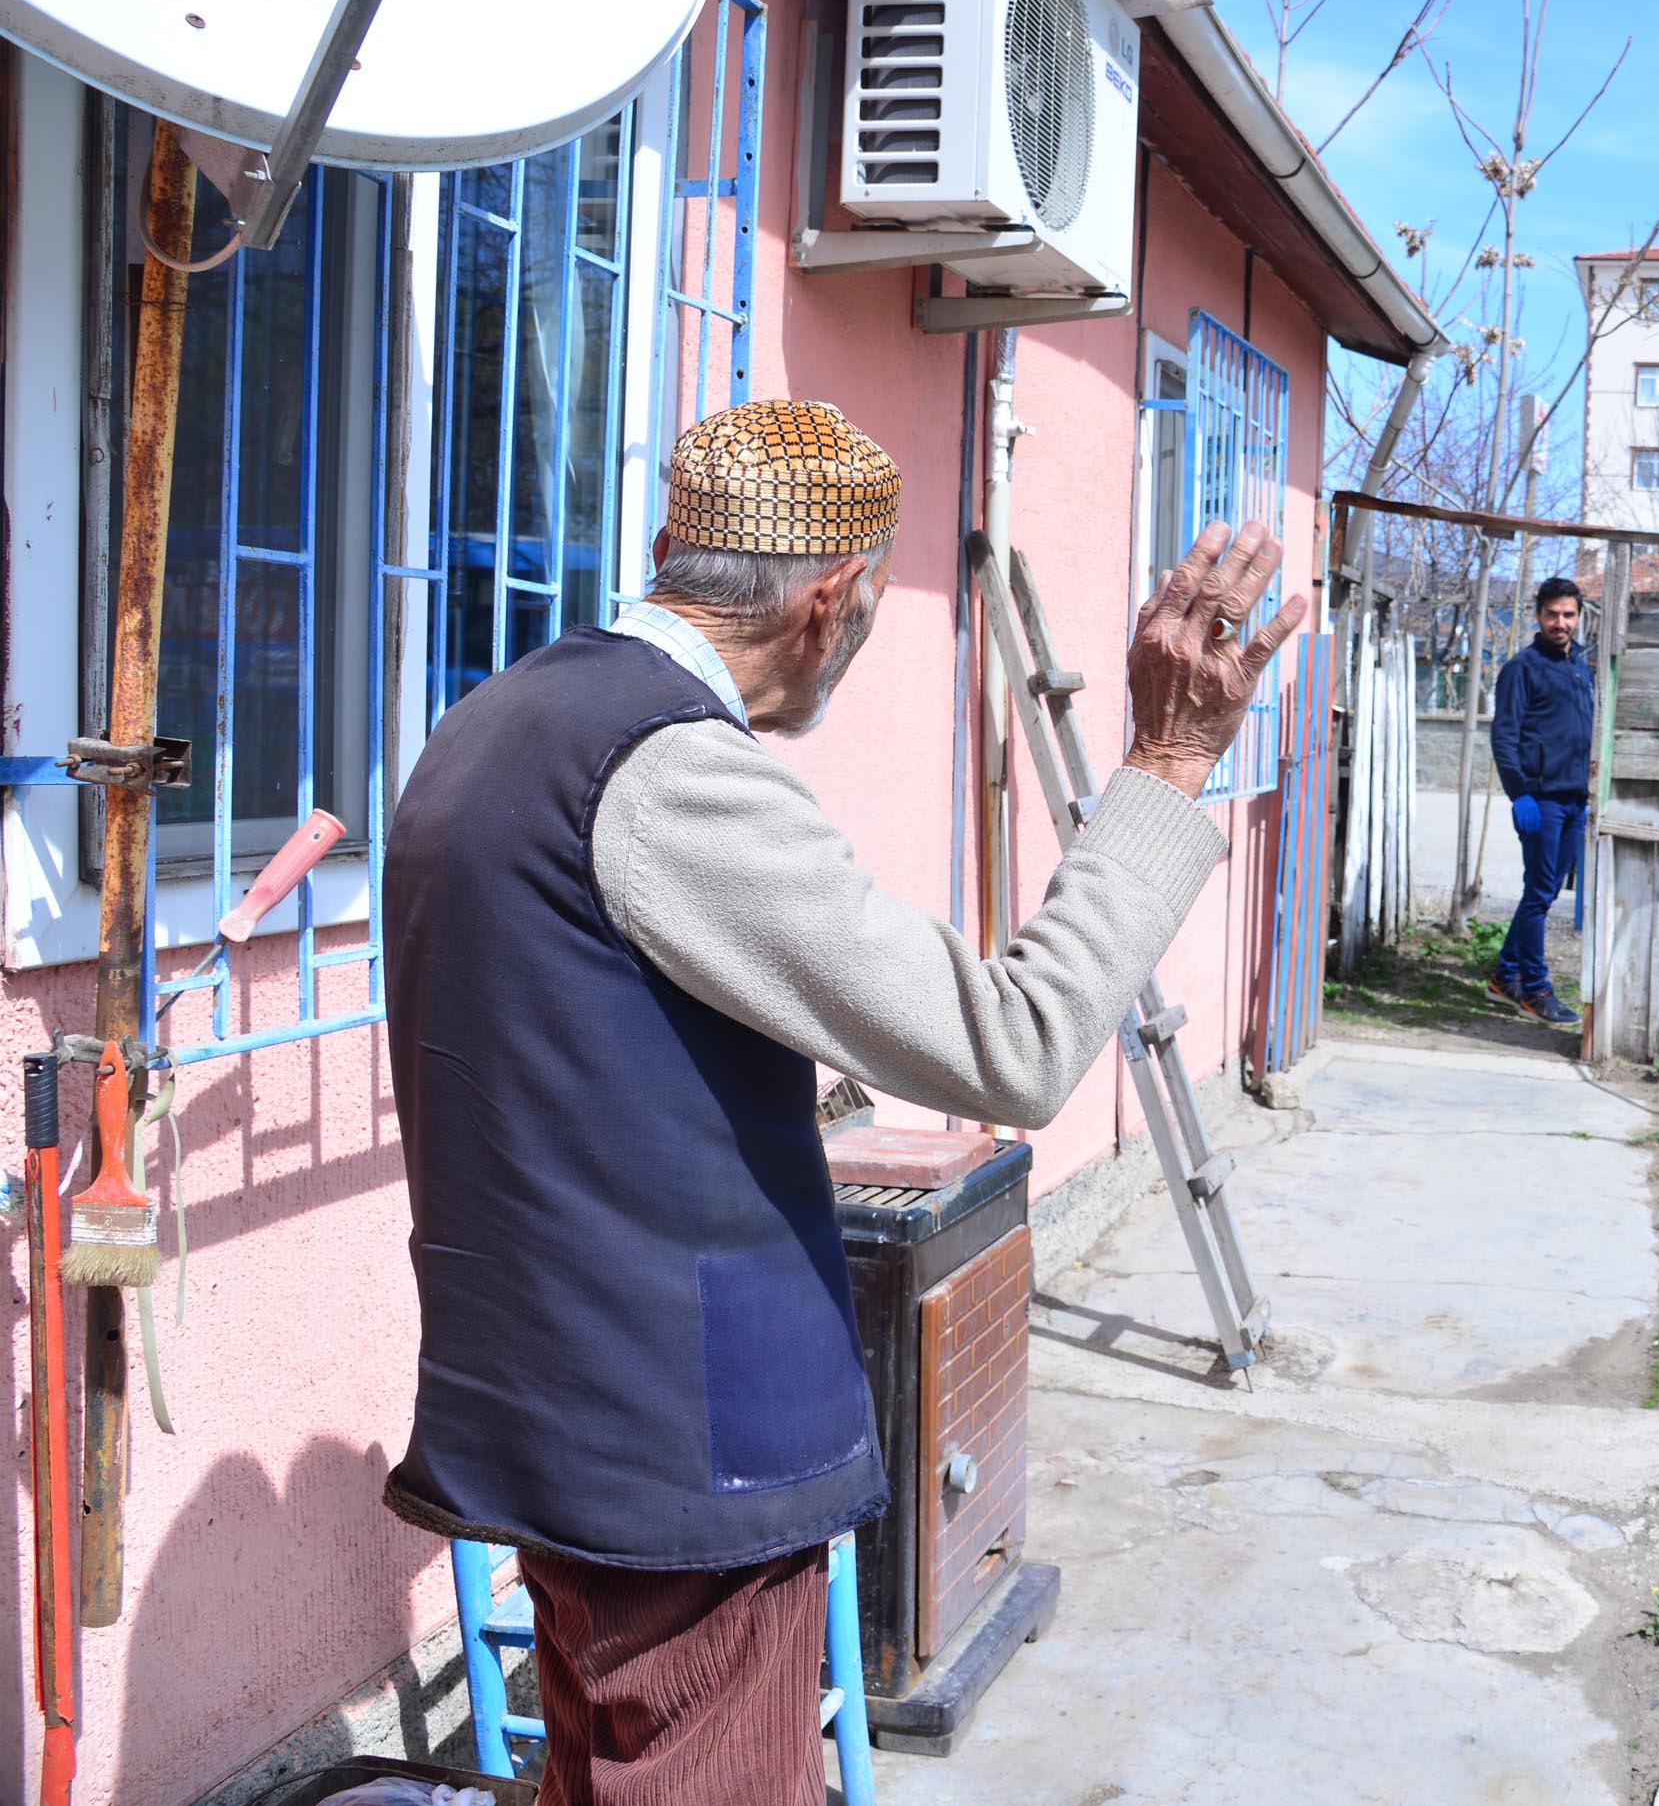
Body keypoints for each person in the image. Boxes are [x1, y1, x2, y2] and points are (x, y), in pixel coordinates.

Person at [377, 399, 1301, 1806]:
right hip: (683, 1475)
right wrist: (1170, 765)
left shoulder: (496, 719)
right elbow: (1020, 1043)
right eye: (864, 619)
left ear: (665, 546)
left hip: (559, 1434)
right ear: (830, 601)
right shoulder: (672, 772)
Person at [1487, 575, 1594, 1025]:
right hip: (1540, 801)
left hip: (1575, 799)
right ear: (1538, 615)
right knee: (1538, 893)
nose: (1560, 622)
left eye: (1568, 614)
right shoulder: (1522, 668)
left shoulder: (1582, 667)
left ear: (1578, 617)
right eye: (1552, 614)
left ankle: (1503, 976)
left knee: (1546, 892)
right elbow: (1504, 736)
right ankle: (1535, 989)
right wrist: (1520, 794)